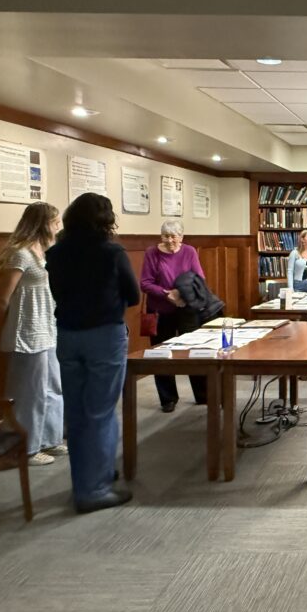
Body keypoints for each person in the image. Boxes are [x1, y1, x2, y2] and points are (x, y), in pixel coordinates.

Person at [46, 193, 140, 514]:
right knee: (100, 410)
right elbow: (133, 294)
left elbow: (57, 293)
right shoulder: (111, 252)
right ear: (106, 219)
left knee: (76, 412)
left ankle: (87, 478)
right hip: (104, 334)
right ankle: (94, 489)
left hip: (68, 335)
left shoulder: (55, 253)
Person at [0, 202, 66, 466]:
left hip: (48, 328)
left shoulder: (46, 251)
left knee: (53, 387)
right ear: (42, 223)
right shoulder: (21, 254)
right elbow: (2, 299)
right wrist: (5, 328)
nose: (58, 226)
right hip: (27, 332)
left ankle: (50, 439)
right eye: (55, 221)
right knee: (29, 392)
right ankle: (27, 447)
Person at [140, 220, 208, 412]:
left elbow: (199, 278)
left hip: (187, 308)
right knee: (161, 354)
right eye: (166, 236)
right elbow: (145, 283)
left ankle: (203, 394)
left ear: (181, 236)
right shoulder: (151, 253)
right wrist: (166, 294)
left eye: (174, 236)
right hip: (160, 310)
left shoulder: (189, 251)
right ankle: (168, 398)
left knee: (194, 352)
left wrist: (181, 293)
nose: (170, 240)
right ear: (160, 236)